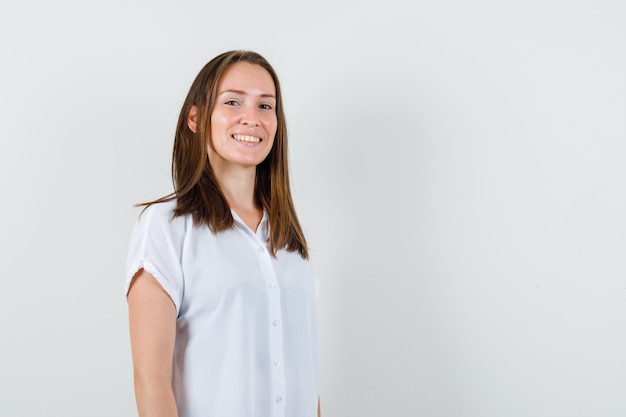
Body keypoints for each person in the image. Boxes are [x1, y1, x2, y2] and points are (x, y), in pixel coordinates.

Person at [125, 50, 320, 417]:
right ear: (196, 119)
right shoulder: (166, 227)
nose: (253, 118)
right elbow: (151, 382)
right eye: (233, 102)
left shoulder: (290, 239)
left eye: (266, 106)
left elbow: (304, 373)